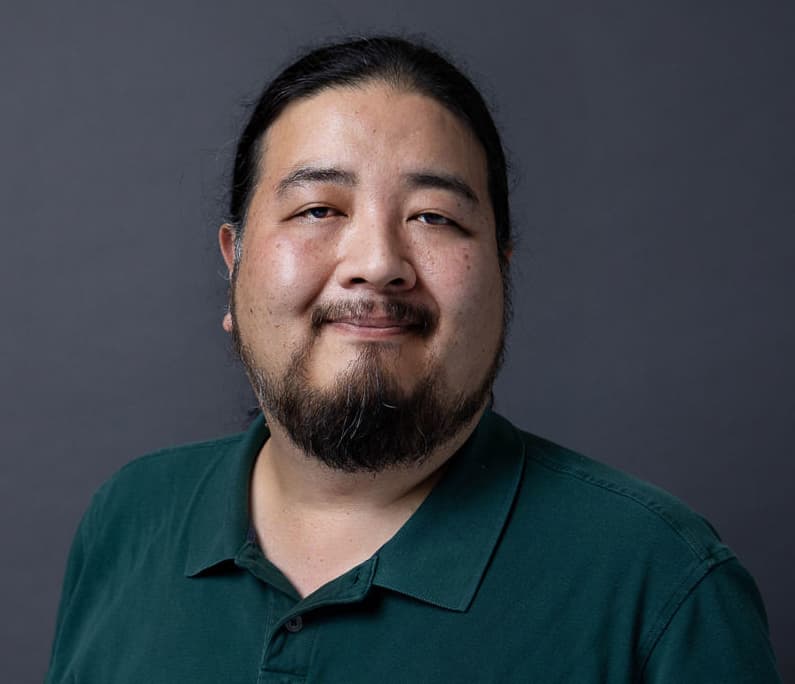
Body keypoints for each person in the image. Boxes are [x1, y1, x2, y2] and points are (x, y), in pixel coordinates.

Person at [46, 36, 781, 683]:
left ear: (501, 275)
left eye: (434, 216)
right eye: (318, 209)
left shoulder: (662, 584)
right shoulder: (128, 520)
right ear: (233, 264)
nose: (377, 263)